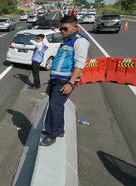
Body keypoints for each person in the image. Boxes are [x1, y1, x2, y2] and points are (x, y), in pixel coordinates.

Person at [41, 15, 89, 147]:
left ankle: (52, 134)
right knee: (57, 106)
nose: (62, 31)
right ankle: (59, 129)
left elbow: (80, 64)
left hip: (65, 80)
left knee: (54, 107)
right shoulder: (67, 39)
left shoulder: (80, 41)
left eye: (65, 29)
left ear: (75, 26)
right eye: (60, 29)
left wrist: (70, 83)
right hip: (56, 79)